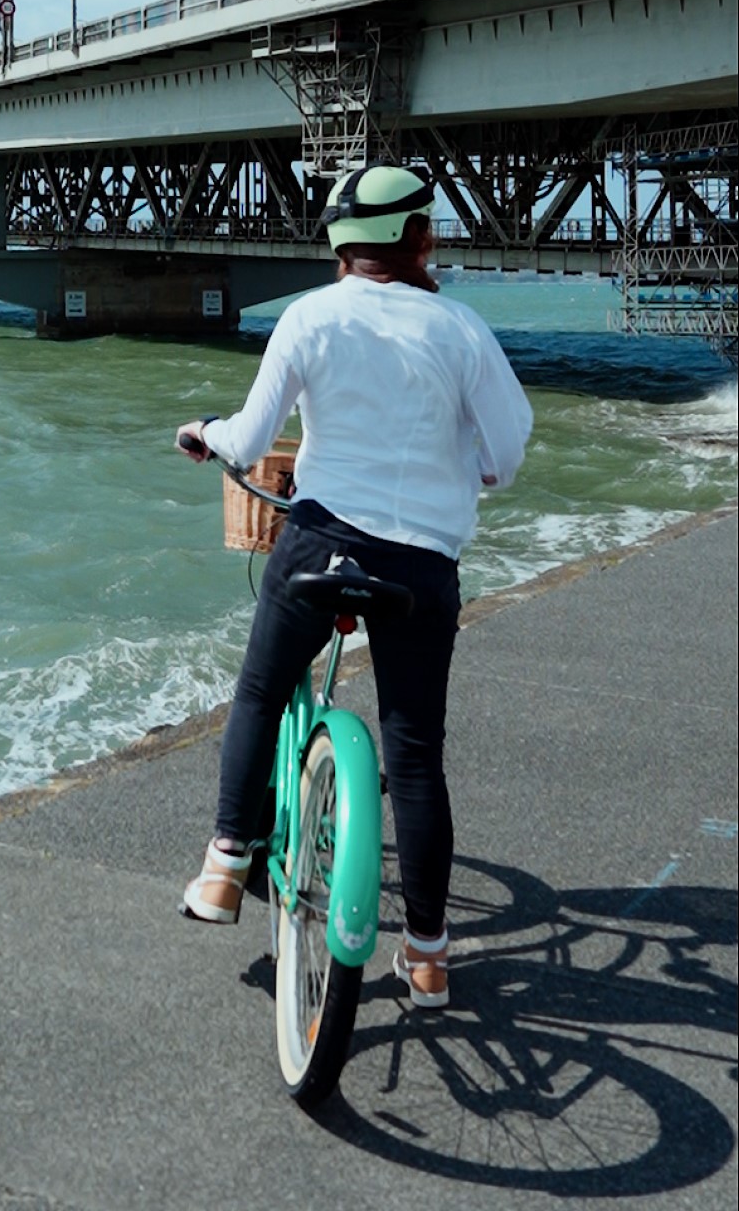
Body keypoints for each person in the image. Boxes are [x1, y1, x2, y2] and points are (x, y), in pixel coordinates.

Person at [176, 164, 532, 1008]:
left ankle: (226, 866)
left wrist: (203, 434)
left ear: (340, 245)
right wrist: (470, 470)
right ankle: (430, 955)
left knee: (261, 691)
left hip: (320, 545)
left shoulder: (311, 316)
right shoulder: (460, 328)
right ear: (420, 239)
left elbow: (250, 435)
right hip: (420, 569)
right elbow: (507, 454)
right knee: (414, 755)